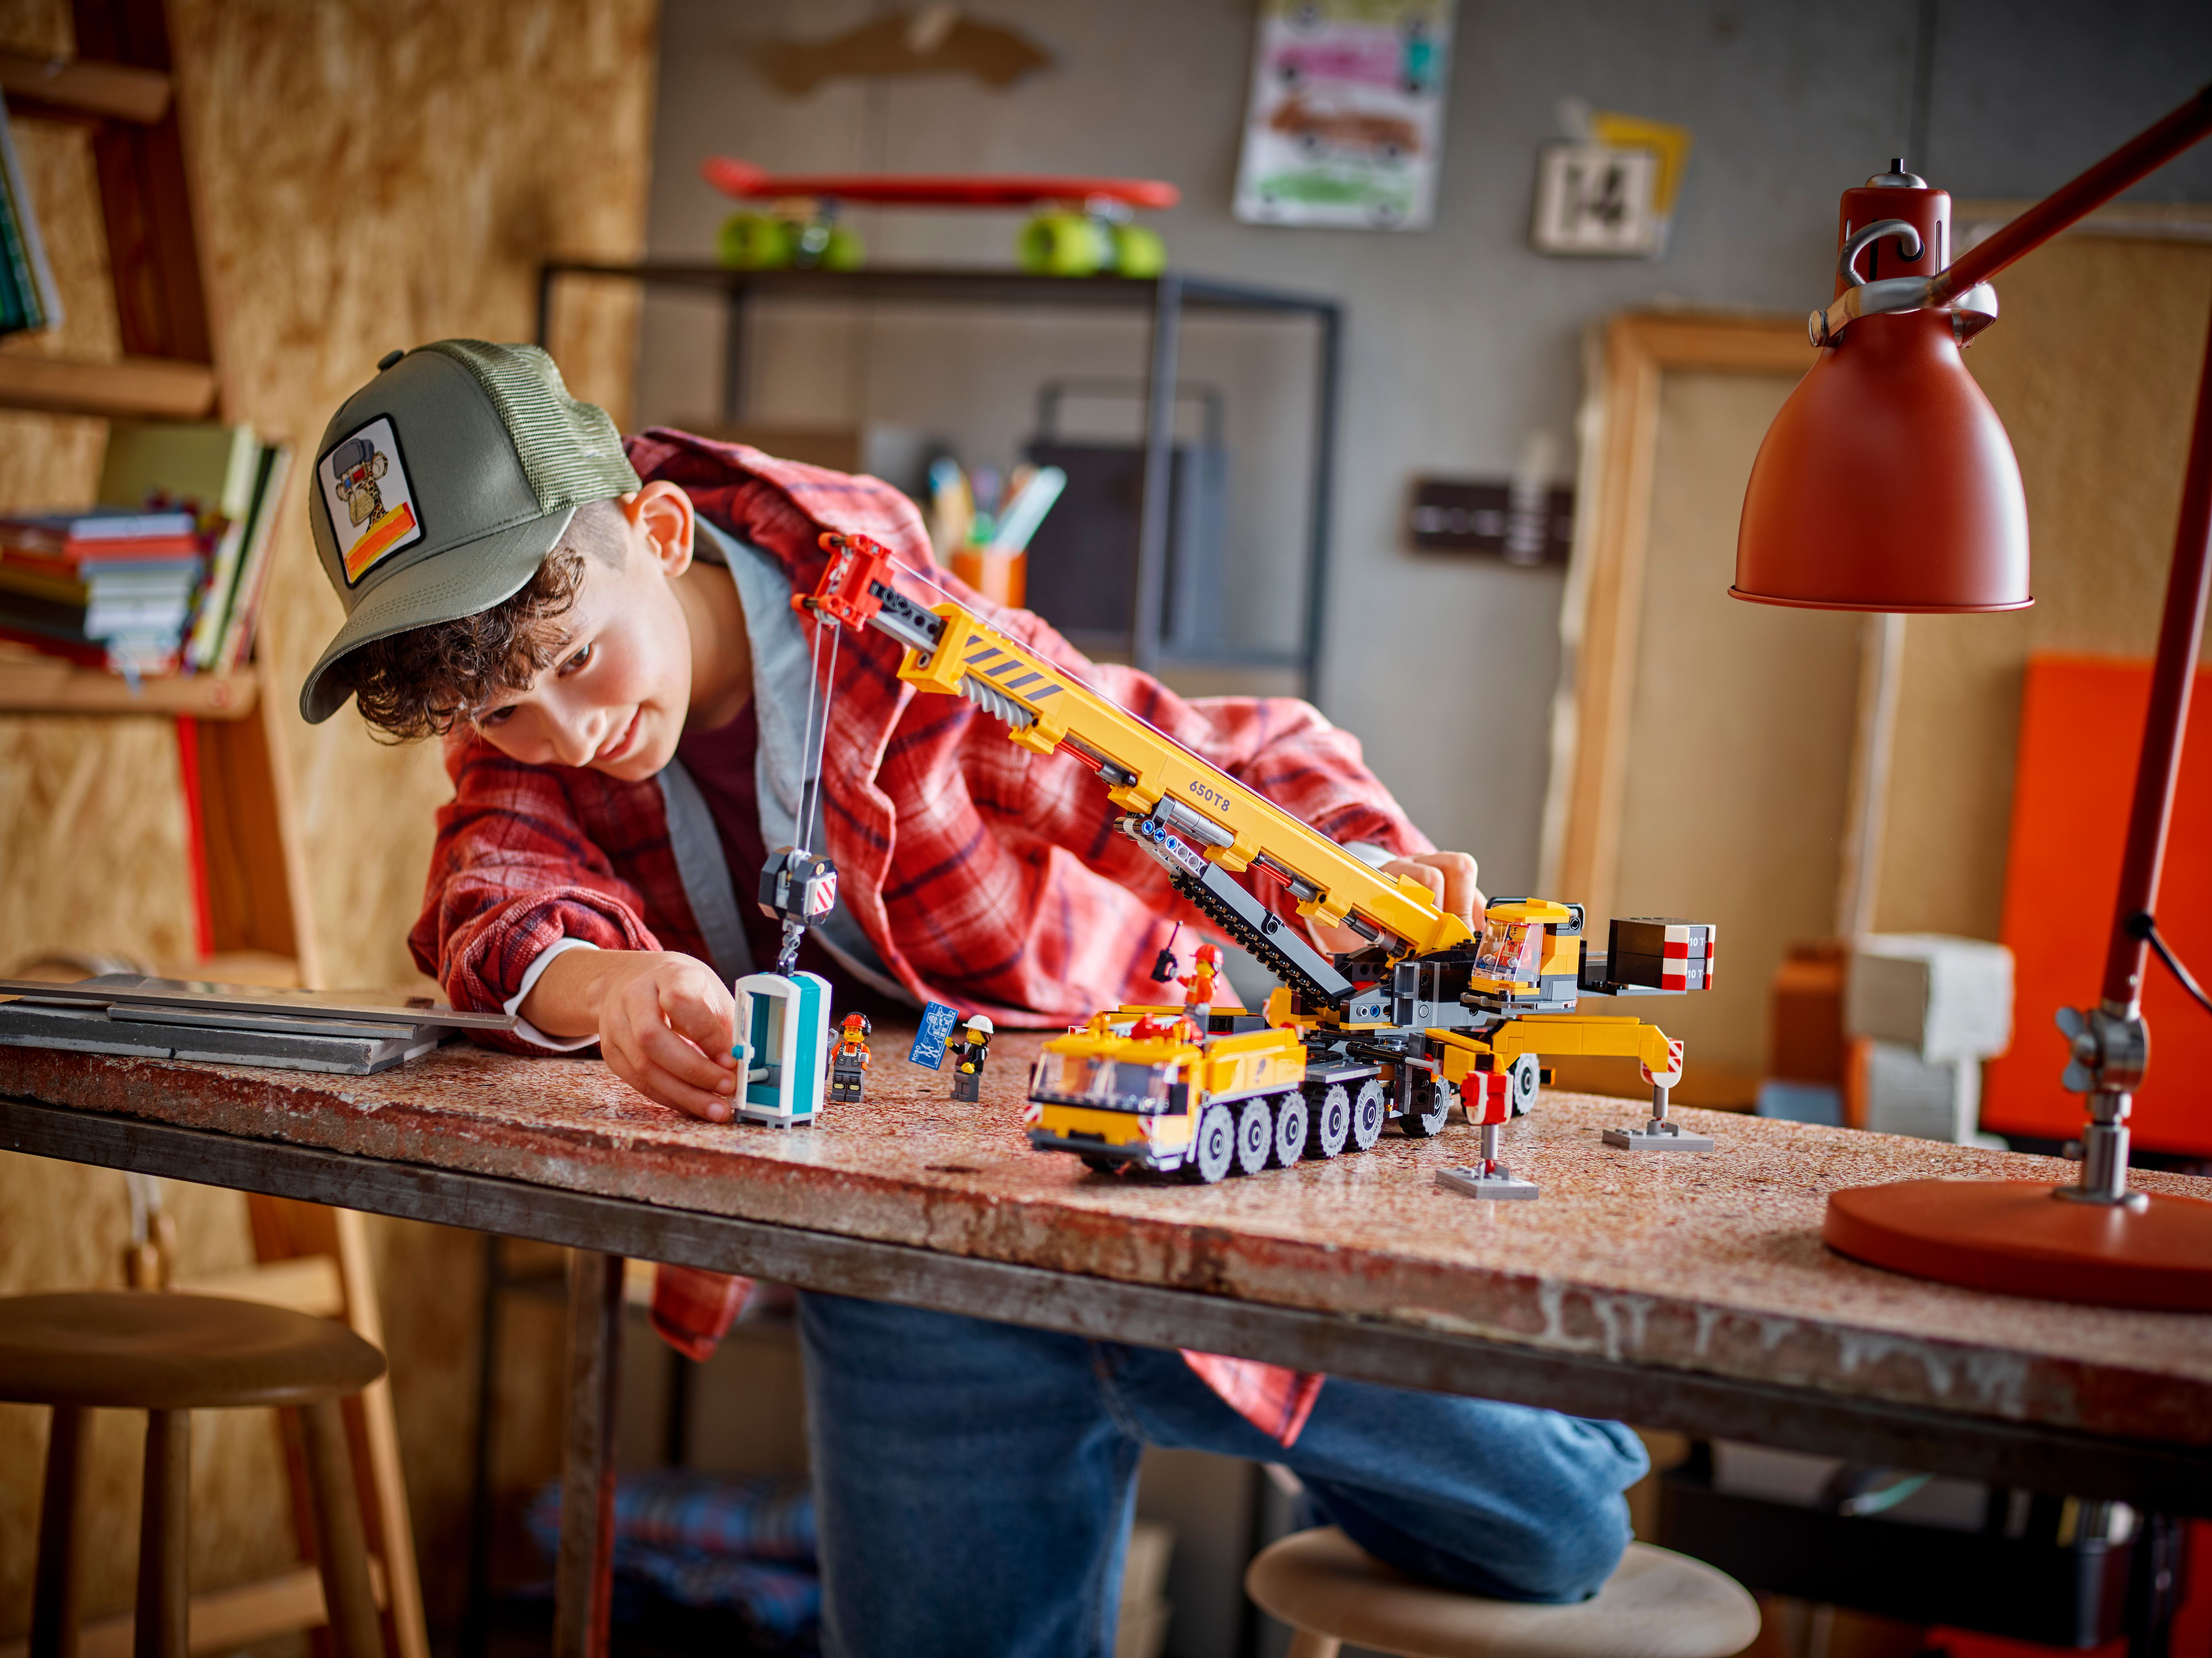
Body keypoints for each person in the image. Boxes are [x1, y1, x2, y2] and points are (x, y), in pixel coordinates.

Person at [298, 342, 1646, 1656]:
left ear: (657, 531)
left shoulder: (908, 648)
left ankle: (1502, 1428)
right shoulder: (527, 734)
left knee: (1560, 1534)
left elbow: (1170, 763)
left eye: (582, 663)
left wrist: (1361, 867)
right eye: (509, 718)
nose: (571, 733)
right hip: (914, 1272)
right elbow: (493, 879)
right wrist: (611, 986)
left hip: (1154, 1192)